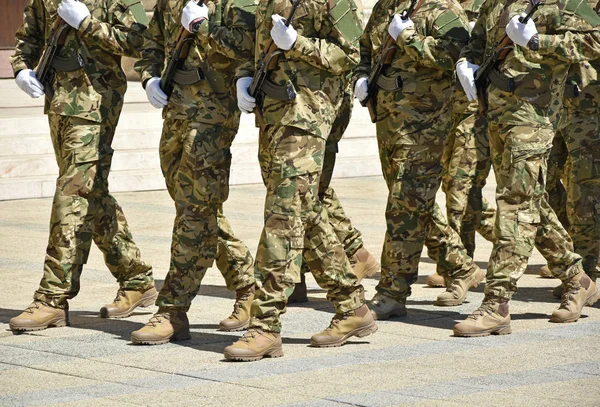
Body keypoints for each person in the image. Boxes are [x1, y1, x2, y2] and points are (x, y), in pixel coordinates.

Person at [224, 0, 376, 362]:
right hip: (273, 117)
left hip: (308, 117)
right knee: (307, 215)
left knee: (282, 219)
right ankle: (352, 307)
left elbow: (350, 55)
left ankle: (265, 325)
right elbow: (260, 48)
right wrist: (245, 77)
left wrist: (299, 44)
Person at [454, 0, 600, 337]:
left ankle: (496, 303)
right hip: (495, 108)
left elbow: (594, 42)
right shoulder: (496, 2)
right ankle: (578, 279)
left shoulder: (566, 3)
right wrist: (466, 61)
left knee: (515, 202)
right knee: (530, 200)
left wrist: (538, 42)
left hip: (535, 114)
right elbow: (478, 38)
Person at [9, 0, 157, 332]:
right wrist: (21, 69)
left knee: (71, 194)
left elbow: (138, 40)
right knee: (91, 193)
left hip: (96, 102)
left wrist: (87, 23)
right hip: (59, 100)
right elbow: (30, 34)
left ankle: (52, 297)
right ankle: (136, 278)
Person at [130, 0, 257, 345]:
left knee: (194, 212)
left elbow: (248, 46)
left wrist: (202, 28)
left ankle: (173, 310)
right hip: (175, 111)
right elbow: (152, 42)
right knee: (198, 208)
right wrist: (149, 77)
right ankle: (248, 285)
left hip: (212, 115)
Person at [354, 0, 484, 319]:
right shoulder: (387, 6)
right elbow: (366, 46)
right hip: (388, 118)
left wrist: (410, 38)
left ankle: (393, 291)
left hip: (424, 122)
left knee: (404, 204)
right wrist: (360, 75)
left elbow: (456, 55)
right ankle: (459, 265)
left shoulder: (443, 9)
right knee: (412, 202)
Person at [288, 0, 380, 304]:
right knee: (307, 189)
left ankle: (351, 261)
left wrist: (297, 44)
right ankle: (345, 256)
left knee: (305, 189)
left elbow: (349, 53)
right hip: (287, 107)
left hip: (323, 107)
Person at [427, 0, 497, 288]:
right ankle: (526, 239)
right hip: (448, 108)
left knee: (460, 186)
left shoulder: (485, 6)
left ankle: (459, 265)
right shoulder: (442, 5)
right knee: (462, 191)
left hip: (475, 111)